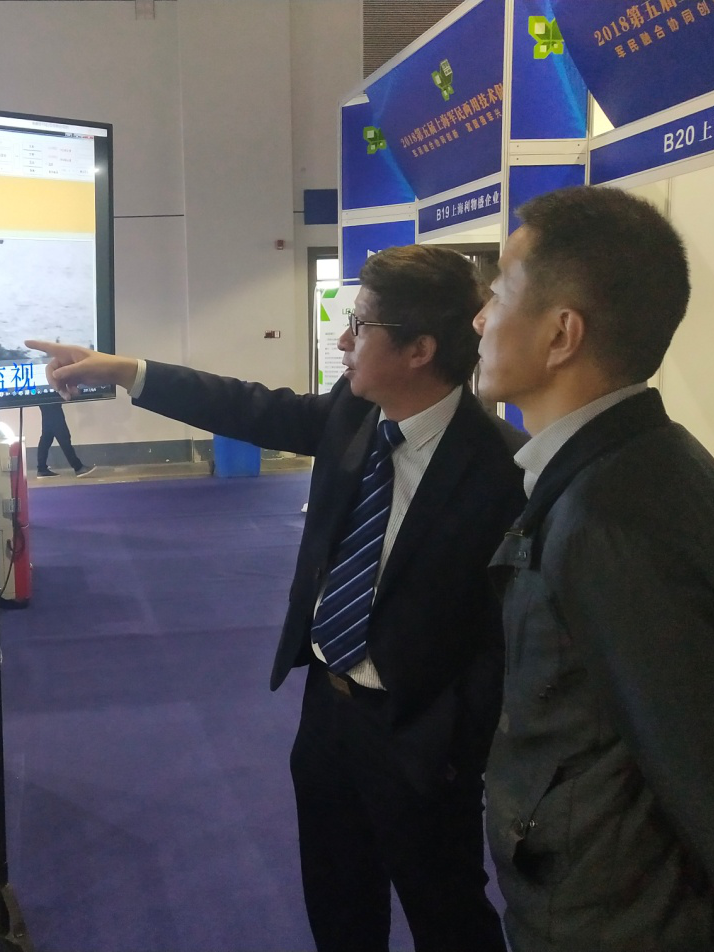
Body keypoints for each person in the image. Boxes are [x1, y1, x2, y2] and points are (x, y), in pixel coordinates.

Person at [28, 244, 525, 952]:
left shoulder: (504, 470)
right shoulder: (353, 413)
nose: (344, 341)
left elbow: (505, 636)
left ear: (420, 350)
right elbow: (246, 405)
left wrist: (458, 744)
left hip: (422, 739)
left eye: (361, 325)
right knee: (338, 898)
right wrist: (123, 371)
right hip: (329, 711)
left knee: (446, 911)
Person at [473, 185, 714, 952]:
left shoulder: (607, 516)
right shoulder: (655, 461)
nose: (479, 319)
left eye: (499, 293)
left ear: (561, 333)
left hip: (611, 909)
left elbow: (693, 735)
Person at [36, 401, 94, 477]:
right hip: (53, 407)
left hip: (47, 404)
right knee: (63, 437)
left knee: (46, 438)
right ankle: (78, 467)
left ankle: (42, 469)